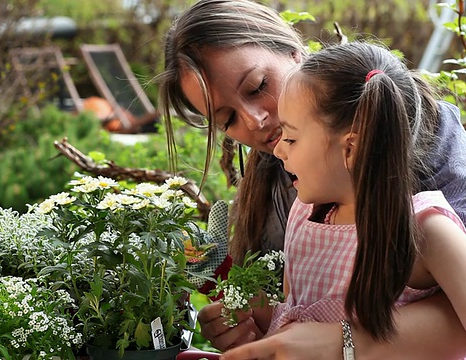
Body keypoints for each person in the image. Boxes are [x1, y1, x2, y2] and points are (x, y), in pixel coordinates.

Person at [158, 0, 466, 358]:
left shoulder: (427, 151)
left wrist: (342, 343)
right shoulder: (296, 203)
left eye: (258, 86)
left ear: (293, 51)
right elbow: (299, 312)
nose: (255, 120)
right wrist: (261, 331)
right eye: (227, 120)